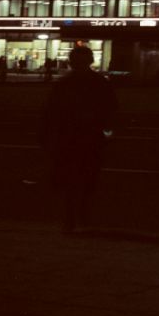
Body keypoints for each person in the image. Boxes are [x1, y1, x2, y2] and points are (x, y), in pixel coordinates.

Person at [39, 45, 117, 233]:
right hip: (90, 138)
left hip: (68, 138)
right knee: (88, 178)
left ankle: (70, 217)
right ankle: (82, 215)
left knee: (69, 179)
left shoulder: (63, 84)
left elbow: (51, 113)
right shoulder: (100, 83)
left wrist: (48, 138)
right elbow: (111, 112)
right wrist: (107, 134)